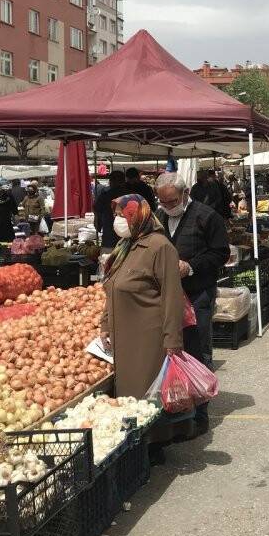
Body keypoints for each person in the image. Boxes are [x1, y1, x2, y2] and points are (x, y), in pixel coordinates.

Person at [99, 194, 186, 462]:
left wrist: (172, 341)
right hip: (124, 334)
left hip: (149, 337)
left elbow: (172, 296)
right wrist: (105, 324)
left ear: (138, 215)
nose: (117, 221)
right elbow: (112, 288)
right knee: (129, 393)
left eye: (121, 215)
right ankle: (137, 446)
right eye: (116, 215)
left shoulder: (160, 247)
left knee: (145, 393)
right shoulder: (125, 246)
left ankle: (153, 447)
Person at [156, 172, 229, 437]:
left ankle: (200, 413)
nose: (168, 206)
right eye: (163, 202)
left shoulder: (207, 217)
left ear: (185, 194)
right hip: (169, 296)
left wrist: (191, 266)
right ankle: (178, 408)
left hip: (198, 293)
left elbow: (220, 253)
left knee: (198, 349)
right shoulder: (160, 217)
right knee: (173, 349)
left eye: (172, 201)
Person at [94, 171, 128, 249]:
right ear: (124, 181)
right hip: (128, 238)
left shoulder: (105, 196)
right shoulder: (132, 195)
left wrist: (98, 225)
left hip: (109, 237)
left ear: (111, 182)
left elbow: (97, 212)